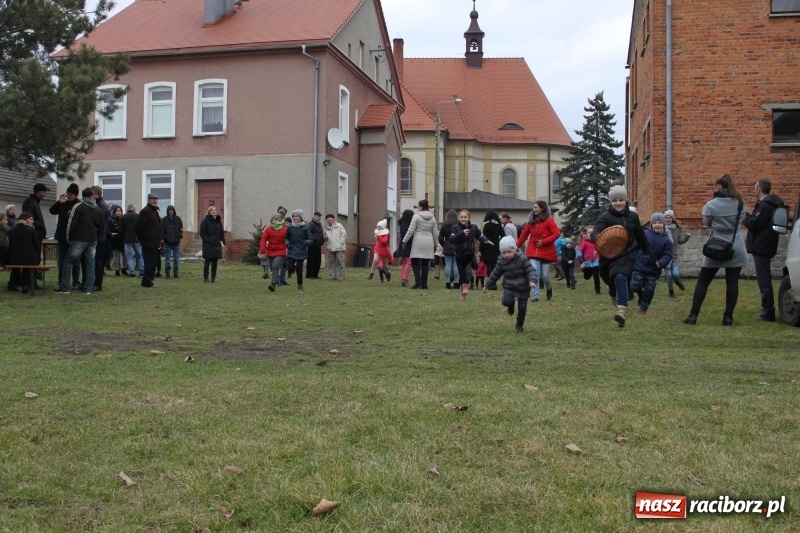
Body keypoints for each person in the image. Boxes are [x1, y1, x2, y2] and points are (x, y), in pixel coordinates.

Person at [683, 174, 747, 326]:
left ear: (718, 186)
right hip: (735, 243)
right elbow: (742, 220)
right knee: (732, 283)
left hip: (716, 244)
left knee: (703, 281)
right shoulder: (739, 203)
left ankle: (693, 315)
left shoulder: (711, 205)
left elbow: (707, 223)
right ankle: (728, 317)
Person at [591, 185, 649, 328]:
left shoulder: (633, 217)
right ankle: (615, 296)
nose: (618, 203)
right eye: (615, 200)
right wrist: (599, 237)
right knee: (611, 283)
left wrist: (647, 251)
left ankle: (621, 310)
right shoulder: (605, 217)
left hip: (627, 253)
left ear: (626, 201)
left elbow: (640, 235)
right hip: (608, 255)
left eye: (621, 200)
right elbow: (595, 233)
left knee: (620, 275)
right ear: (610, 202)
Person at [743, 179, 784, 322]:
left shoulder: (765, 206)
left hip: (761, 247)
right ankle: (768, 309)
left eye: (755, 188)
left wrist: (746, 215)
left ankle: (768, 311)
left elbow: (754, 224)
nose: (754, 190)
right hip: (764, 245)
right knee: (764, 278)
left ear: (759, 189)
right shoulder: (769, 205)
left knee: (764, 279)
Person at [483, 236, 538, 333]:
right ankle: (511, 305)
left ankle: (519, 326)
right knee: (506, 301)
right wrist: (487, 285)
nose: (507, 255)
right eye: (504, 252)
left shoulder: (522, 259)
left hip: (523, 287)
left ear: (514, 250)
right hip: (510, 287)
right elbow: (495, 274)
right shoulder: (501, 262)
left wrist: (532, 280)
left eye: (509, 252)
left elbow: (530, 270)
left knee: (522, 308)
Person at [55, 188, 103, 294]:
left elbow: (72, 223)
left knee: (67, 261)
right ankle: (88, 288)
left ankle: (64, 287)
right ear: (91, 196)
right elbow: (101, 227)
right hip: (93, 239)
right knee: (90, 263)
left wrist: (70, 238)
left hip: (80, 238)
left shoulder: (79, 207)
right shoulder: (98, 210)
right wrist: (96, 236)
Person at [630, 213, 673, 316]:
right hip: (640, 266)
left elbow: (667, 255)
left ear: (663, 224)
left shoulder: (666, 240)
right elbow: (636, 247)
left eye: (659, 223)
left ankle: (643, 308)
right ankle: (640, 294)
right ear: (651, 224)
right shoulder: (644, 234)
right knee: (634, 286)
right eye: (655, 223)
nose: (657, 225)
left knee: (649, 290)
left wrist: (661, 262)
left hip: (654, 270)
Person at [516, 200, 559, 302]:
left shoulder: (549, 220)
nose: (533, 209)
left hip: (546, 251)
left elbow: (556, 234)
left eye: (536, 207)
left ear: (542, 208)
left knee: (545, 276)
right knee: (534, 273)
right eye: (533, 207)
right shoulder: (531, 221)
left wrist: (544, 242)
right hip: (533, 250)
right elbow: (523, 236)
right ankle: (535, 296)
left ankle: (549, 288)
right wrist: (515, 247)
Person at [450, 209, 491, 300]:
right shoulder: (455, 227)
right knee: (461, 270)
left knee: (462, 267)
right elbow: (451, 239)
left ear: (469, 218)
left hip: (469, 252)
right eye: (461, 217)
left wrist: (487, 241)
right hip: (459, 252)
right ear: (459, 218)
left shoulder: (474, 227)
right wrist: (461, 233)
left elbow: (480, 236)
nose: (463, 219)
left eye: (465, 217)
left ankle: (465, 286)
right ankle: (463, 292)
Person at [48, 183, 82, 291]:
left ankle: (76, 281)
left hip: (74, 237)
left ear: (76, 195)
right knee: (61, 260)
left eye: (71, 194)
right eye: (67, 193)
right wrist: (59, 202)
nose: (68, 196)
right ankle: (61, 282)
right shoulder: (63, 203)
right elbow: (52, 211)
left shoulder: (79, 205)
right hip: (62, 235)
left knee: (75, 260)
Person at [403, 199, 437, 289]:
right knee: (425, 263)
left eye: (418, 206)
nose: (418, 207)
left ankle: (418, 282)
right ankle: (424, 284)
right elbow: (435, 233)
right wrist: (435, 244)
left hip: (418, 240)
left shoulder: (416, 217)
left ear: (421, 207)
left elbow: (411, 230)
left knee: (414, 262)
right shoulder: (433, 218)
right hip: (429, 241)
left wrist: (404, 240)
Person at [7, 212, 41, 292]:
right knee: (27, 266)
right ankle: (26, 284)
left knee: (16, 267)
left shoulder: (12, 230)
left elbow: (11, 245)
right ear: (24, 219)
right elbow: (37, 245)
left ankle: (14, 284)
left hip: (14, 258)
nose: (32, 221)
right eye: (30, 219)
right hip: (30, 258)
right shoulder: (30, 230)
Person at [135, 193, 163, 288]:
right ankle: (146, 282)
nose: (155, 201)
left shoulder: (154, 211)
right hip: (148, 242)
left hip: (155, 242)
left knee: (153, 262)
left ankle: (149, 280)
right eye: (152, 199)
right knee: (149, 263)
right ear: (148, 200)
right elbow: (138, 226)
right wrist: (143, 237)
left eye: (156, 199)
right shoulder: (145, 211)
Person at [284, 209, 312, 293]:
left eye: (297, 216)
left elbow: (310, 239)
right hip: (291, 250)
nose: (295, 218)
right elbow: (286, 238)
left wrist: (305, 242)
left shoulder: (305, 227)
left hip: (301, 251)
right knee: (290, 268)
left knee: (299, 271)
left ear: (300, 217)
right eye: (293, 216)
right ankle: (291, 270)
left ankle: (300, 286)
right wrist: (288, 244)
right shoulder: (290, 227)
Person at [663, 210, 690, 297]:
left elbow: (680, 241)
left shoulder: (676, 229)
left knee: (675, 274)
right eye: (666, 217)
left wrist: (687, 237)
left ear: (673, 218)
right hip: (665, 257)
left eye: (669, 217)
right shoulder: (662, 229)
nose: (667, 219)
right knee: (669, 275)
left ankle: (677, 281)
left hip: (674, 256)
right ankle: (671, 292)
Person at [260, 212, 288, 292]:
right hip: (270, 251)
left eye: (275, 220)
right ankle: (276, 280)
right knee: (272, 268)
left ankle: (273, 283)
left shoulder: (284, 229)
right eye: (272, 220)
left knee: (275, 266)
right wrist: (263, 250)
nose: (274, 221)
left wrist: (288, 248)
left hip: (280, 251)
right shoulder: (269, 229)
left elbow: (288, 239)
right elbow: (263, 239)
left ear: (279, 220)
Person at [91, 185, 111, 291]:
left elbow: (100, 223)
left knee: (98, 261)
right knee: (97, 261)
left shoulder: (100, 206)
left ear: (95, 193)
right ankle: (96, 282)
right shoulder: (101, 204)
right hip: (101, 237)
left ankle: (97, 283)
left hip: (100, 238)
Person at [199, 205, 225, 283]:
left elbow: (221, 232)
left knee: (215, 262)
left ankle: (213, 278)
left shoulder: (218, 221)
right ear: (209, 212)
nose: (214, 211)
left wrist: (223, 240)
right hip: (208, 245)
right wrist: (208, 240)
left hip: (216, 244)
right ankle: (206, 278)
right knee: (207, 262)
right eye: (212, 210)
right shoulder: (205, 221)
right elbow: (202, 232)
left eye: (215, 210)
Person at [480, 210, 504, 286]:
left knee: (489, 266)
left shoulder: (487, 225)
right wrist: (498, 241)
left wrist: (480, 250)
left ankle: (491, 283)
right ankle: (494, 283)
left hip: (487, 248)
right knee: (494, 266)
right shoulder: (499, 225)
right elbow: (504, 235)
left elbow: (483, 238)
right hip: (496, 247)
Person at [120, 204, 143, 277]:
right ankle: (142, 271)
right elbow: (141, 227)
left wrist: (123, 237)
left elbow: (121, 230)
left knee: (129, 257)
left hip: (127, 239)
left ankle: (132, 273)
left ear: (127, 209)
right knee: (139, 255)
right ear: (133, 209)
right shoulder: (137, 216)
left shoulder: (123, 217)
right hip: (137, 239)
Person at [439, 209, 460, 289]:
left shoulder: (444, 224)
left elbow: (440, 237)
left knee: (447, 265)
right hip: (456, 245)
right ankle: (457, 282)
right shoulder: (458, 224)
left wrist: (443, 244)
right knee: (455, 265)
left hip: (447, 244)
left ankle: (448, 282)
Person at [161, 205, 183, 279]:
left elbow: (181, 228)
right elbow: (162, 231)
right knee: (167, 258)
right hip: (167, 243)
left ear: (174, 211)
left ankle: (175, 273)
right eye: (169, 210)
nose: (171, 211)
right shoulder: (164, 220)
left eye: (172, 210)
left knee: (176, 259)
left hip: (176, 242)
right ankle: (167, 272)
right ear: (167, 211)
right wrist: (165, 238)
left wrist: (179, 235)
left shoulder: (178, 219)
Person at [578, 225, 601, 294]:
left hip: (596, 261)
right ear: (586, 234)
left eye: (592, 232)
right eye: (589, 232)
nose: (590, 233)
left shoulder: (598, 241)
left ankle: (598, 290)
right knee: (587, 277)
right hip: (587, 262)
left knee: (596, 276)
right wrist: (582, 262)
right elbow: (579, 252)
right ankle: (587, 271)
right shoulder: (584, 242)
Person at [323, 214, 347, 280]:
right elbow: (325, 237)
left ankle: (342, 275)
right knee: (331, 263)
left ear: (333, 219)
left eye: (329, 219)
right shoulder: (327, 228)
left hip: (339, 248)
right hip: (331, 248)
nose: (328, 221)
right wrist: (325, 237)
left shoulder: (339, 226)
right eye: (327, 219)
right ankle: (332, 275)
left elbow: (344, 234)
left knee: (340, 262)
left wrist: (341, 243)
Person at [395, 209, 414, 287]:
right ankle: (405, 278)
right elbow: (406, 235)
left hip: (403, 245)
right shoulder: (406, 224)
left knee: (405, 262)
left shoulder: (402, 223)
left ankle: (403, 278)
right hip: (407, 245)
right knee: (409, 262)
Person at [305, 211, 325, 279]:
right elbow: (308, 233)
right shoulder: (311, 224)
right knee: (311, 260)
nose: (319, 218)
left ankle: (315, 274)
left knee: (317, 261)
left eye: (320, 217)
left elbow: (320, 234)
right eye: (318, 216)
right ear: (314, 216)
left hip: (318, 245)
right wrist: (315, 239)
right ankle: (310, 274)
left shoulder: (319, 225)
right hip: (312, 245)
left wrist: (323, 239)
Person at [107, 205, 125, 276]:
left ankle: (124, 268)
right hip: (114, 240)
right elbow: (108, 230)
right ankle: (117, 269)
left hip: (122, 239)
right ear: (114, 212)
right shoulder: (111, 220)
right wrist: (115, 231)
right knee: (116, 255)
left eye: (119, 211)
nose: (118, 212)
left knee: (125, 255)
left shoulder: (123, 219)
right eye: (117, 211)